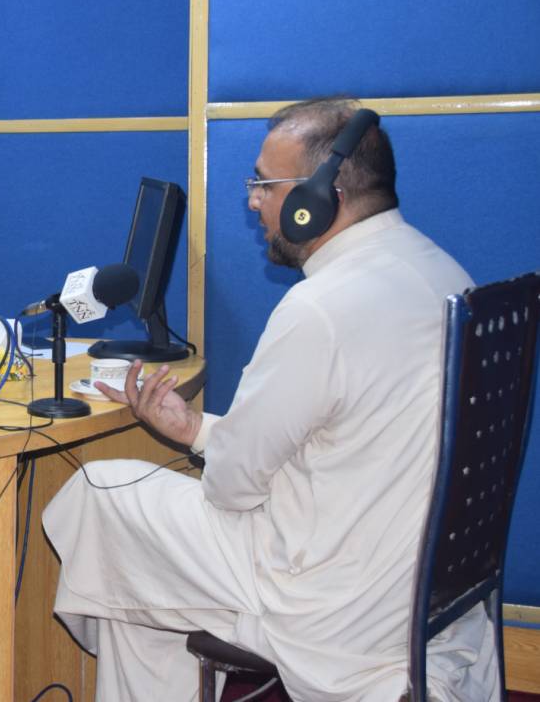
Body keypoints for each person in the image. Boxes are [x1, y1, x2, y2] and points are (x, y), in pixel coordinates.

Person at [42, 99, 499, 700]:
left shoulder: (322, 308)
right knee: (136, 584)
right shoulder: (443, 272)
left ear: (320, 194)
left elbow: (232, 487)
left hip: (328, 595)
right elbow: (343, 437)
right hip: (417, 581)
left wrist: (216, 445)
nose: (252, 199)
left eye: (264, 182)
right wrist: (196, 429)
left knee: (98, 493)